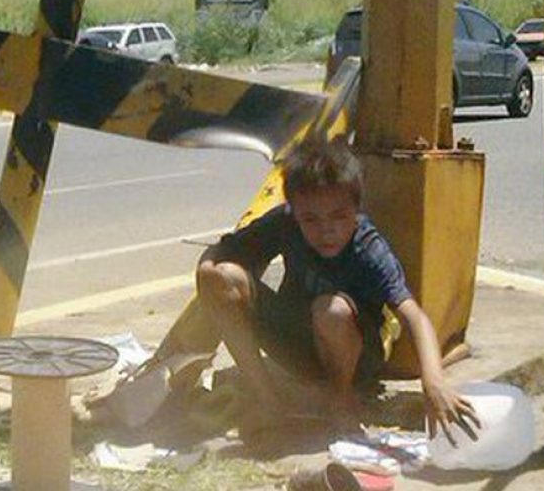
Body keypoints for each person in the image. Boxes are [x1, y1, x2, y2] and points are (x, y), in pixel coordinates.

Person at [156, 140, 480, 440]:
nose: (327, 229)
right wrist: (206, 270)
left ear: (356, 210)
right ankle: (269, 401)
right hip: (296, 346)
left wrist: (433, 382)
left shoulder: (368, 248)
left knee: (330, 309)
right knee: (220, 277)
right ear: (295, 213)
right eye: (311, 219)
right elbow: (223, 251)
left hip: (354, 358)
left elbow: (414, 316)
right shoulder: (284, 223)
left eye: (339, 216)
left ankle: (341, 400)